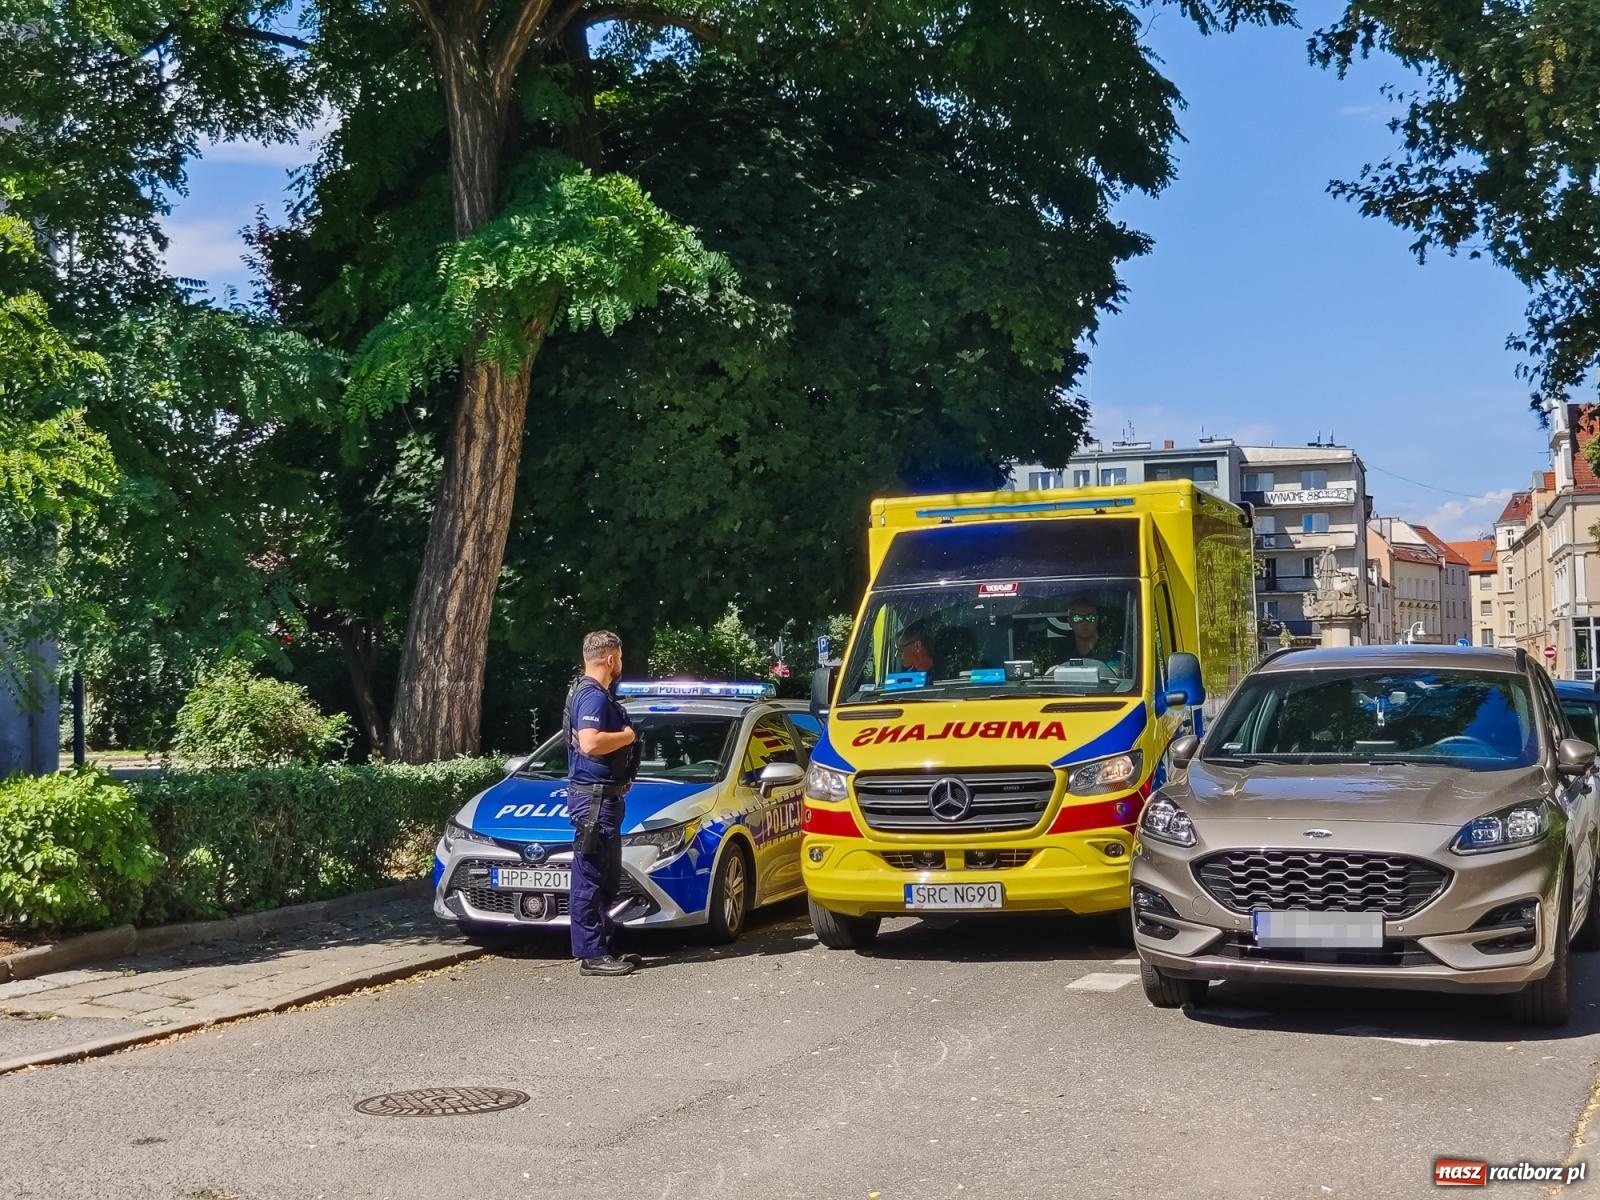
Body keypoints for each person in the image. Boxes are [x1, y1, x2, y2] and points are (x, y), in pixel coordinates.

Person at [565, 630, 643, 978]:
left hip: (604, 798)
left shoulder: (593, 694)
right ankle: (591, 955)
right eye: (620, 658)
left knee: (607, 879)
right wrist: (628, 736)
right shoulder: (592, 697)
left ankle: (606, 946)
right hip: (593, 802)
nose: (621, 665)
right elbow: (590, 743)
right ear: (610, 659)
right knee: (591, 878)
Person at [1064, 597, 1127, 677]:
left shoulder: (1114, 649)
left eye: (1090, 618)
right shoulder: (1062, 650)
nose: (1084, 622)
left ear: (1097, 620)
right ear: (1070, 621)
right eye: (1078, 618)